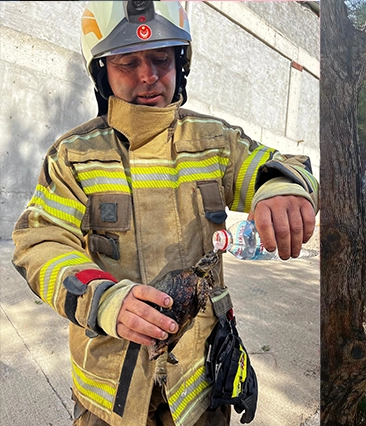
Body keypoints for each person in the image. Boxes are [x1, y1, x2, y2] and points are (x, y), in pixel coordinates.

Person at [11, 2, 319, 425]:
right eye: (128, 62)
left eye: (161, 58)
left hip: (200, 387)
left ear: (181, 62)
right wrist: (104, 300)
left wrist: (283, 189)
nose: (148, 75)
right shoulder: (75, 156)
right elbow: (40, 242)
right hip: (112, 397)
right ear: (102, 72)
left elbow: (284, 166)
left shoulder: (213, 142)